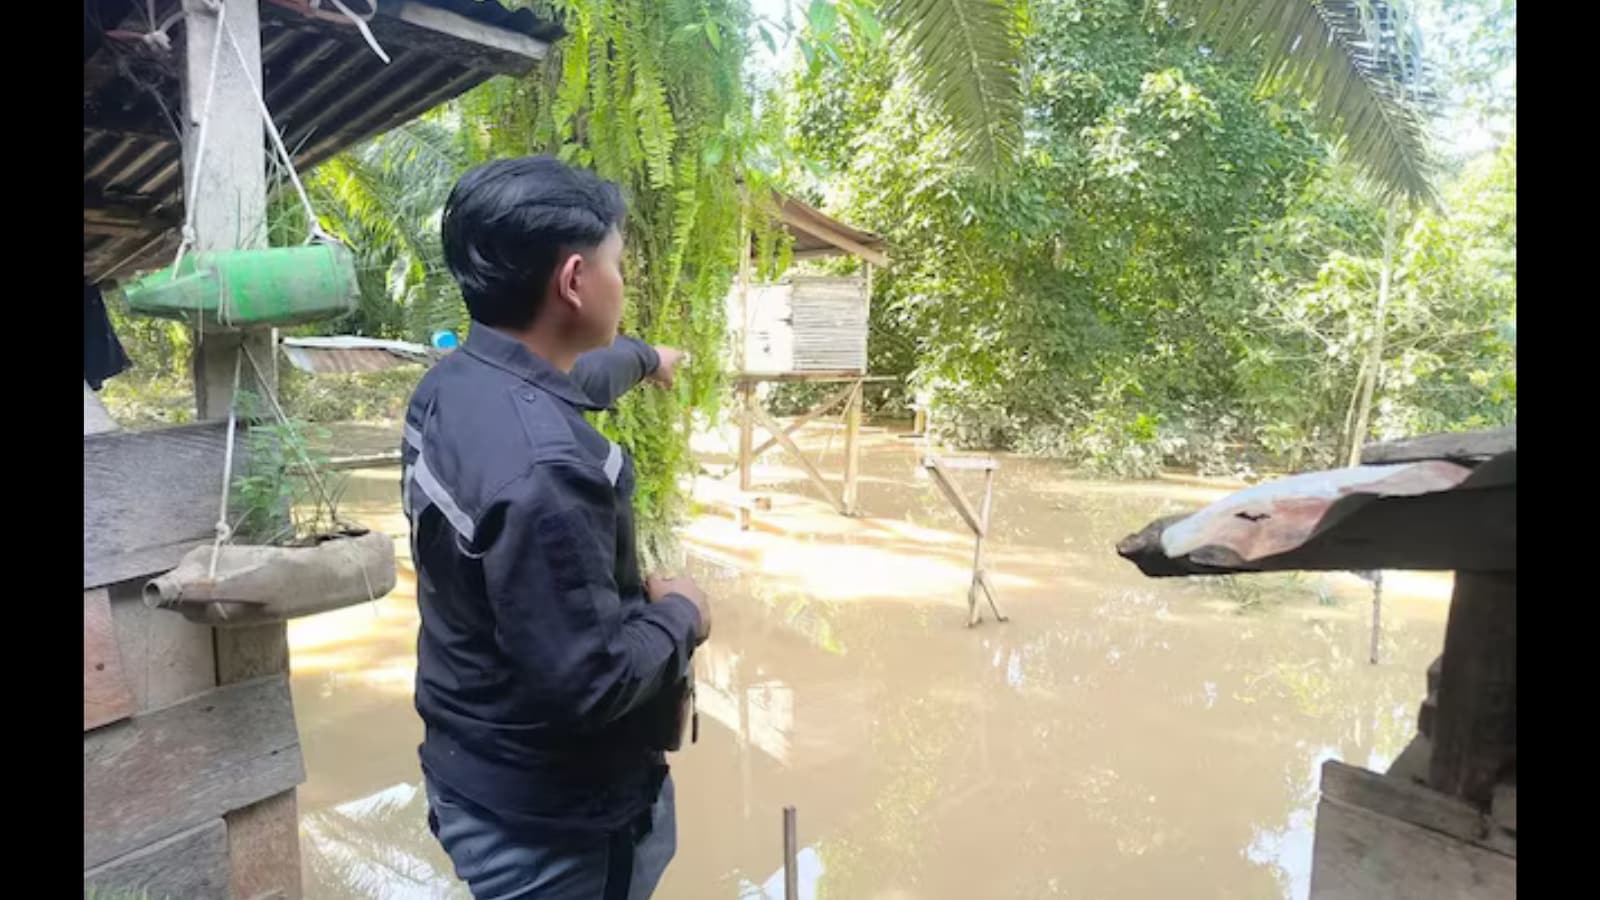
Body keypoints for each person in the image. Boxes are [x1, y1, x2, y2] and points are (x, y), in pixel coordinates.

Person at [400, 156, 713, 899]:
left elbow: (571, 382)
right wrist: (683, 612)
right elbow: (593, 682)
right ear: (575, 281)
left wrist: (647, 359)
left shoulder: (455, 382)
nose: (624, 283)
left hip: (473, 770)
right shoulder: (548, 473)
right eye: (618, 267)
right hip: (553, 829)